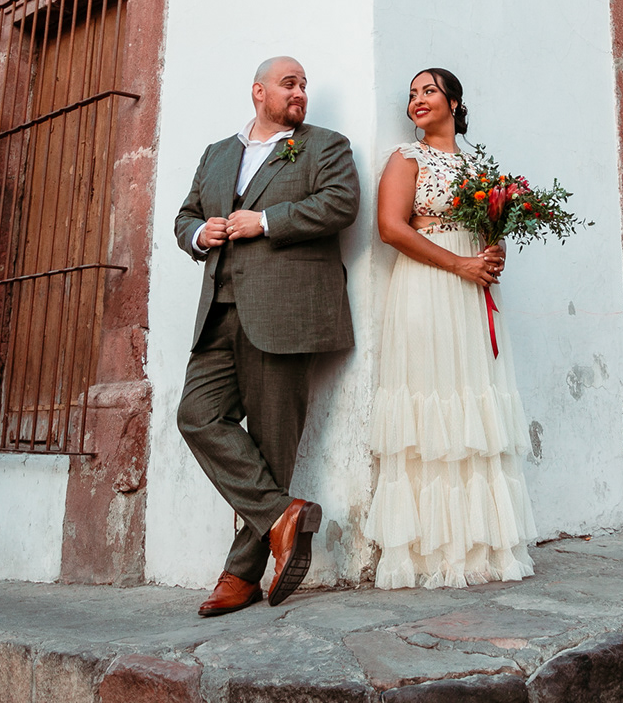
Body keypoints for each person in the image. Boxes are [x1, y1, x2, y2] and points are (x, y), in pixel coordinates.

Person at [174, 56, 360, 615]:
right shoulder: (216, 154)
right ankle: (282, 516)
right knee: (197, 416)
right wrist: (200, 233)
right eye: (288, 83)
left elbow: (341, 204)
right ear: (259, 92)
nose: (300, 91)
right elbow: (185, 217)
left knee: (273, 443)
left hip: (286, 312)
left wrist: (267, 220)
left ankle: (240, 574)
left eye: (304, 84)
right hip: (219, 311)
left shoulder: (325, 145)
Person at [366, 68, 538, 588]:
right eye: (412, 94)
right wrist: (459, 263)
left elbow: (492, 230)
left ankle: (478, 547)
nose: (417, 100)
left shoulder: (479, 167)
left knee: (472, 400)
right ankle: (428, 553)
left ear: (455, 103)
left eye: (429, 91)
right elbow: (390, 228)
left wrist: (493, 252)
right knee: (431, 395)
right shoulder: (406, 158)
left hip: (472, 293)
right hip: (427, 286)